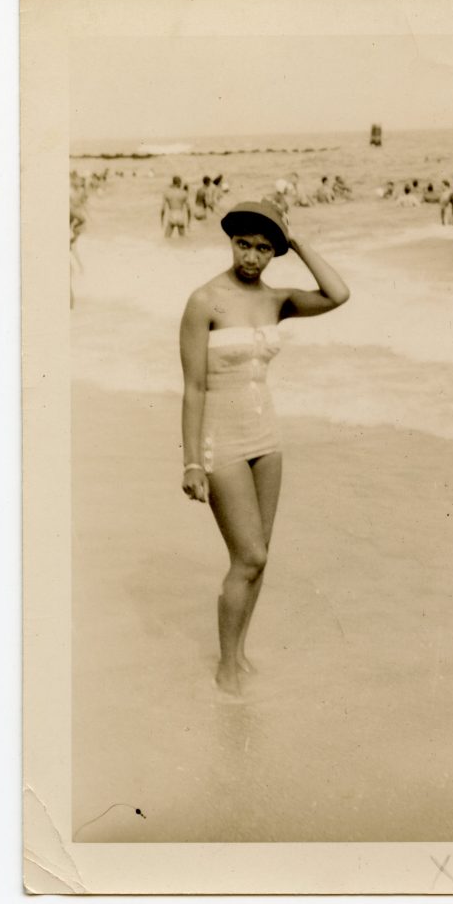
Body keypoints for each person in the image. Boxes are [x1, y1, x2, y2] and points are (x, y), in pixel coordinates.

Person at [179, 201, 350, 697]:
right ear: (230, 243)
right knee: (248, 556)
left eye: (263, 248)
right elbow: (194, 388)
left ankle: (238, 652)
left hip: (266, 438)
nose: (251, 257)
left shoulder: (277, 299)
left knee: (261, 558)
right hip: (221, 440)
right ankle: (225, 667)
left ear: (274, 252)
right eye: (243, 244)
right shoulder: (204, 301)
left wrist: (296, 241)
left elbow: (338, 294)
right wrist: (191, 461)